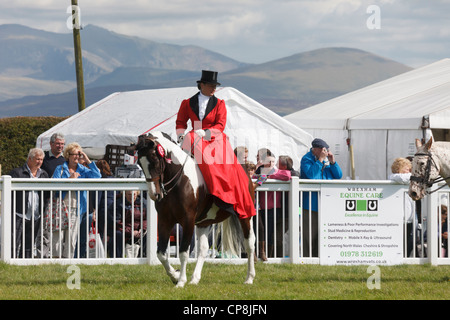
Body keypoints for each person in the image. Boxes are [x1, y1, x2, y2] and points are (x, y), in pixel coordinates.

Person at [175, 70, 256, 221]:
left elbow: (220, 125)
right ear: (202, 85)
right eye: (211, 85)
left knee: (227, 164)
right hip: (194, 137)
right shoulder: (187, 103)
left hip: (214, 137)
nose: (214, 89)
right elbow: (180, 122)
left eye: (215, 86)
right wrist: (180, 135)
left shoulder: (220, 104)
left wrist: (206, 132)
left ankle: (223, 193)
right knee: (185, 146)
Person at [51, 142, 101, 258]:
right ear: (68, 155)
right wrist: (69, 179)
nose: (77, 157)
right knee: (58, 237)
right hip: (61, 207)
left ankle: (68, 261)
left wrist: (87, 159)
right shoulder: (60, 169)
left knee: (72, 239)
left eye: (79, 154)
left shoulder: (83, 170)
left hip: (77, 209)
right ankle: (55, 261)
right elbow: (54, 185)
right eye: (75, 154)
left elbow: (97, 176)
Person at [300, 138, 342, 257]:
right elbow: (311, 175)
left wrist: (333, 162)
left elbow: (338, 175)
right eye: (324, 149)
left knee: (322, 234)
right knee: (309, 234)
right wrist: (320, 160)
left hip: (325, 203)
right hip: (310, 204)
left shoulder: (325, 160)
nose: (326, 151)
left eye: (326, 149)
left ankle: (320, 257)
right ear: (316, 149)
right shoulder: (306, 159)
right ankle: (307, 258)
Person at [8, 148, 49, 258]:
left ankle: (25, 265)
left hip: (35, 215)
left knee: (29, 244)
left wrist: (43, 209)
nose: (39, 162)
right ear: (29, 159)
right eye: (37, 159)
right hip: (19, 214)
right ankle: (10, 264)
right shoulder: (17, 173)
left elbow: (46, 195)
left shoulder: (44, 174)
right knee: (14, 243)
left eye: (41, 159)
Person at [258, 157, 291, 258]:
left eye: (273, 161)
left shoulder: (277, 171)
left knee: (270, 232)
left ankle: (268, 255)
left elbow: (287, 175)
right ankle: (261, 253)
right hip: (261, 208)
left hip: (273, 209)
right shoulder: (260, 172)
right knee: (261, 231)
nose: (271, 164)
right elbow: (256, 180)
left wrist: (269, 175)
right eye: (268, 161)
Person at [389, 157, 417, 257]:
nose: (409, 171)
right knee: (401, 241)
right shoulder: (394, 177)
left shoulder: (408, 179)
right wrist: (414, 175)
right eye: (407, 169)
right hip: (400, 218)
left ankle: (404, 258)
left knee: (409, 241)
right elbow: (402, 178)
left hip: (409, 218)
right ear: (399, 169)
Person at [115, 190, 147, 258]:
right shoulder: (118, 204)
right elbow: (117, 222)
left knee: (148, 235)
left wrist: (142, 229)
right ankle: (119, 258)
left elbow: (146, 218)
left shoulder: (143, 202)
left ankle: (144, 257)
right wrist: (131, 232)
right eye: (129, 194)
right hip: (124, 230)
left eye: (134, 194)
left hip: (139, 231)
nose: (132, 196)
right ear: (125, 194)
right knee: (118, 234)